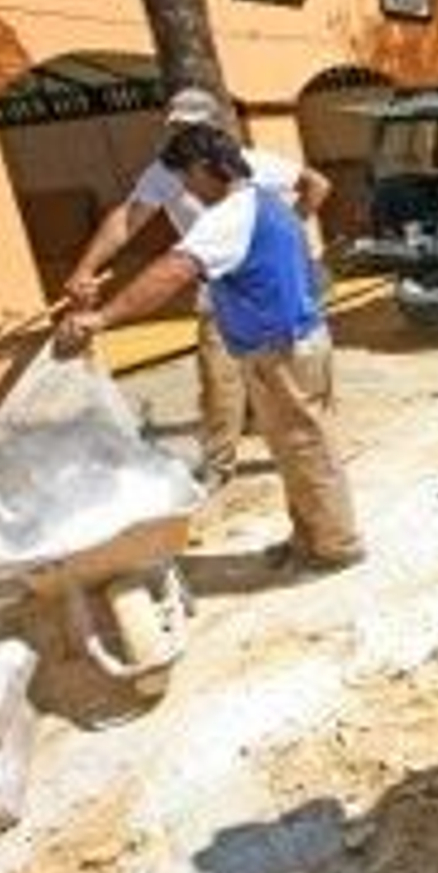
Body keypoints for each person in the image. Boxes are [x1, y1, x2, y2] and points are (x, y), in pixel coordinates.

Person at [56, 124, 363, 573]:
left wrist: (101, 318)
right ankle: (311, 538)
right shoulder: (264, 201)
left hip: (282, 350)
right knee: (291, 449)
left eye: (185, 178)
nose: (184, 190)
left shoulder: (229, 216)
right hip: (285, 344)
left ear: (204, 168)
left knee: (305, 449)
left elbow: (172, 271)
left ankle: (337, 546)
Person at [65, 88, 331, 491]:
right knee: (220, 377)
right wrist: (85, 269)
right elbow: (127, 220)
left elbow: (316, 185)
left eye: (190, 128)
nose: (180, 139)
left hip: (275, 282)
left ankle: (310, 458)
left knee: (295, 367)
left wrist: (286, 232)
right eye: (176, 127)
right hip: (217, 283)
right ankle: (222, 463)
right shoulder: (164, 171)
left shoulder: (251, 165)